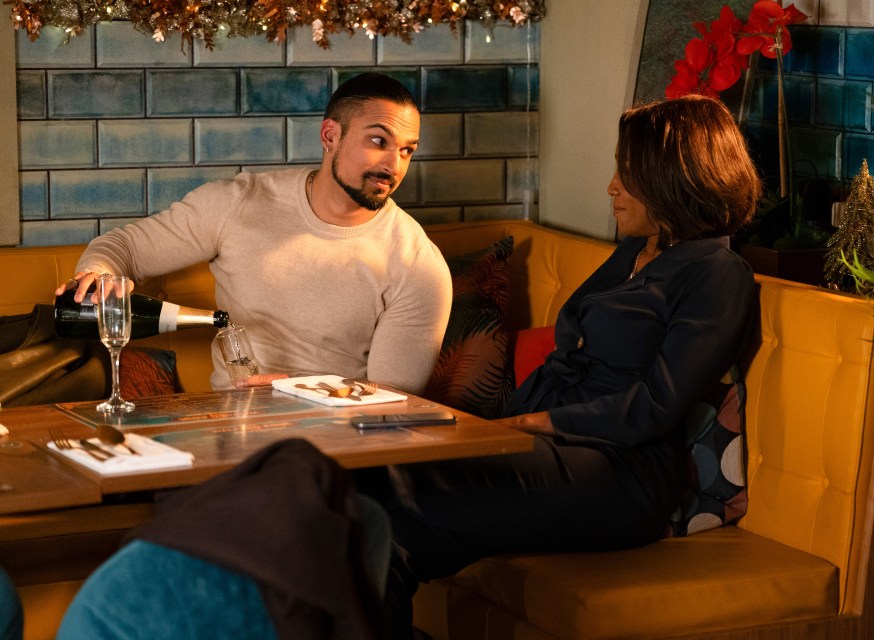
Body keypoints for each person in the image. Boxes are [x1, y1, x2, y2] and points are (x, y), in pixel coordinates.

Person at [353, 94, 762, 636]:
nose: (612, 188)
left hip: (620, 472)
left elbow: (656, 407)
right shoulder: (636, 251)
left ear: (674, 177)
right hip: (549, 451)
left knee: (390, 486)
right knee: (377, 532)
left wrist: (530, 424)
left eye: (627, 173)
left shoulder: (717, 272)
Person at [55, 73, 452, 393]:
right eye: (378, 141)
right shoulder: (238, 202)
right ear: (330, 135)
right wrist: (100, 272)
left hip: (337, 446)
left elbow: (392, 401)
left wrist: (307, 389)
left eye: (406, 150)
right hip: (230, 431)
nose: (393, 165)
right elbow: (123, 247)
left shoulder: (418, 264)